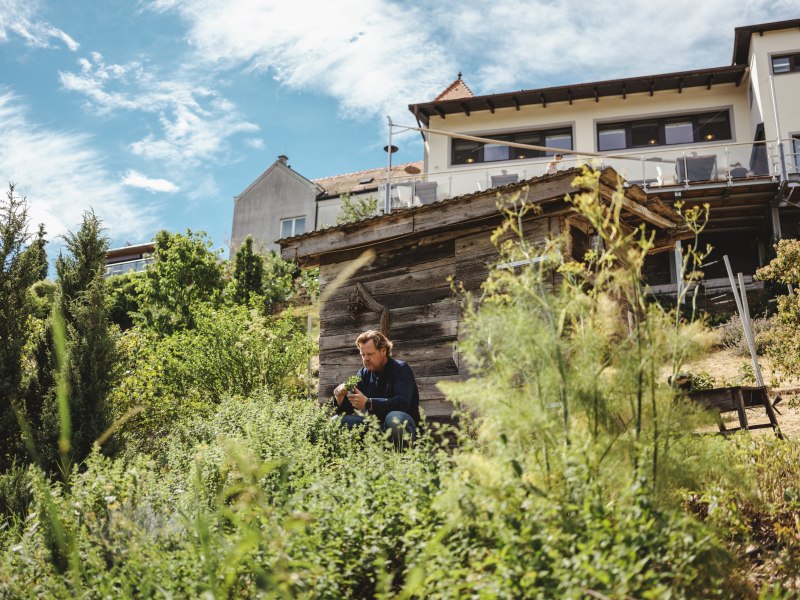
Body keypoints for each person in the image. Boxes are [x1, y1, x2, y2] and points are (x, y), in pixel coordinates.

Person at [332, 330, 419, 448]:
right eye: (363, 355)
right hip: (375, 427)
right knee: (337, 420)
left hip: (403, 427)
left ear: (383, 350)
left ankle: (403, 460)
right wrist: (340, 397)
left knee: (394, 418)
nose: (366, 359)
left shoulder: (401, 369)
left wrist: (369, 403)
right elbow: (346, 411)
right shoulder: (363, 373)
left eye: (370, 354)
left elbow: (402, 403)